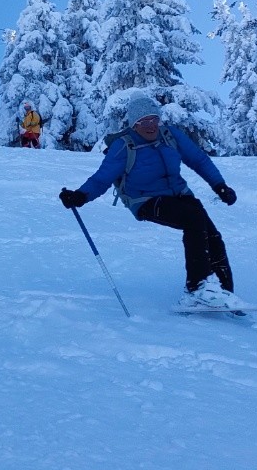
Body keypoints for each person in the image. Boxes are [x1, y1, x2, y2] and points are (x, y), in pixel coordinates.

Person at [58, 90, 241, 310]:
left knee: (213, 237)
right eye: (143, 121)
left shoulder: (170, 135)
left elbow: (199, 160)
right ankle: (197, 288)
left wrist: (219, 186)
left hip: (180, 196)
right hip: (145, 201)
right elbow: (102, 178)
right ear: (134, 124)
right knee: (193, 220)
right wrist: (80, 196)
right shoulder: (124, 146)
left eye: (154, 119)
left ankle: (224, 294)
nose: (150, 125)